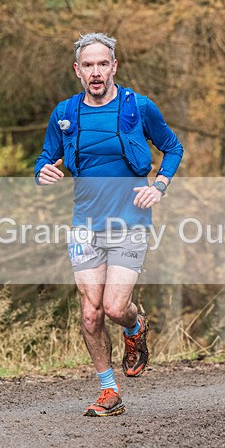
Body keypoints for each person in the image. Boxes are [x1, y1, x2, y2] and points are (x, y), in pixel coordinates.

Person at [35, 32, 183, 417]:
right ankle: (108, 390)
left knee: (116, 309)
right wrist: (42, 172)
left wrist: (160, 186)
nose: (96, 72)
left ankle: (135, 328)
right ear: (77, 71)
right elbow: (45, 158)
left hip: (130, 221)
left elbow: (173, 147)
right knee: (90, 311)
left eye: (103, 64)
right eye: (88, 65)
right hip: (84, 224)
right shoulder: (65, 113)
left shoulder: (139, 107)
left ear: (114, 66)